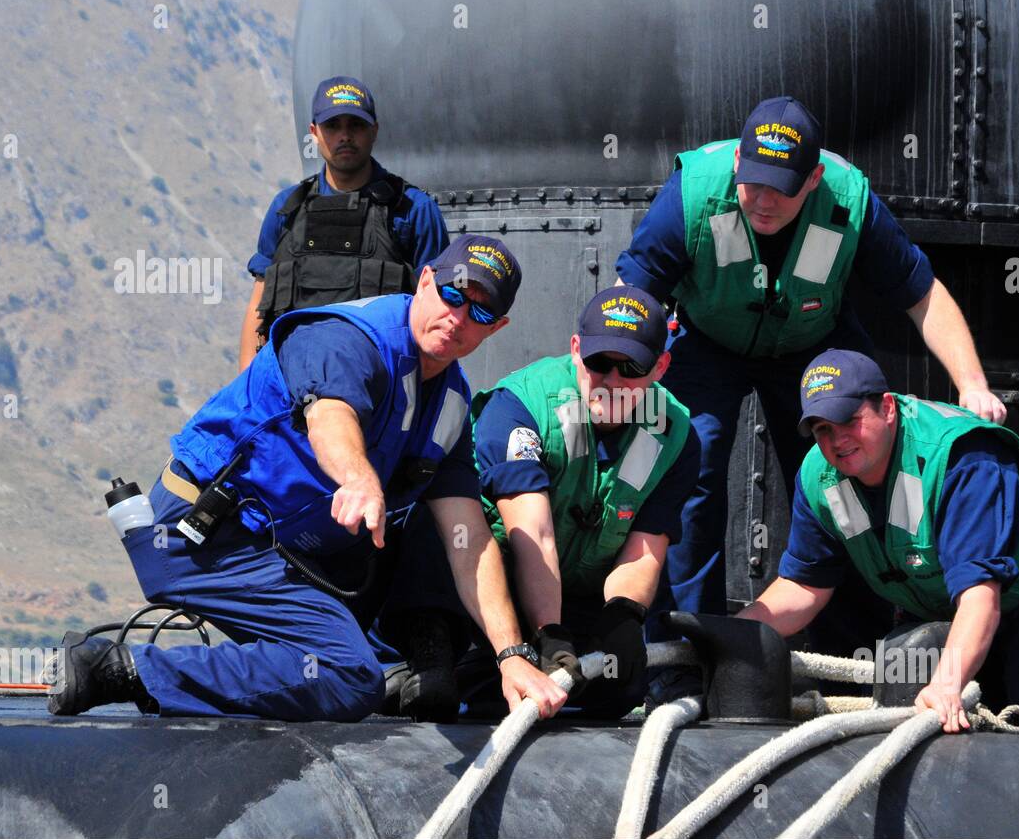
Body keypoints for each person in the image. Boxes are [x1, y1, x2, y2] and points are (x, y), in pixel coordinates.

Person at [47, 235, 567, 723]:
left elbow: (470, 541)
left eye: (480, 311)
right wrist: (359, 479)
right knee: (347, 673)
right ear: (426, 280)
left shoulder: (451, 403)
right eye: (454, 293)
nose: (458, 317)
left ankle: (389, 670)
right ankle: (118, 669)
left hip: (293, 552)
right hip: (203, 535)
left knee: (430, 547)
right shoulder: (345, 339)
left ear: (496, 327)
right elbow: (330, 414)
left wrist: (512, 655)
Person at [614, 96, 1007, 623]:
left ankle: (857, 643)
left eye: (784, 187)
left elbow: (922, 294)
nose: (765, 201)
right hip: (707, 342)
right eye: (754, 183)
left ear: (815, 177)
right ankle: (690, 645)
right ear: (736, 164)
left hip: (811, 342)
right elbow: (630, 302)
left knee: (854, 464)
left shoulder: (851, 201)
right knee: (691, 464)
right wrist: (613, 384)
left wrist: (972, 383)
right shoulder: (693, 192)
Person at [736, 348, 1019, 734]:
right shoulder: (820, 478)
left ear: (887, 408)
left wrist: (947, 684)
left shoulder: (962, 460)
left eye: (849, 421)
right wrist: (736, 634)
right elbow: (804, 586)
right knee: (917, 675)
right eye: (822, 430)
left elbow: (979, 595)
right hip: (954, 590)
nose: (837, 441)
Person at [375, 287, 700, 719]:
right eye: (598, 363)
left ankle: (485, 675)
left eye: (632, 368)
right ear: (576, 349)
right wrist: (550, 634)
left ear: (660, 367)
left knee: (617, 689)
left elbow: (645, 546)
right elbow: (534, 532)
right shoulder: (521, 407)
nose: (612, 382)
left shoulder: (675, 434)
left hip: (570, 585)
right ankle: (429, 661)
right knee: (442, 528)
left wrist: (621, 620)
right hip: (492, 577)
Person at [238, 76, 450, 369]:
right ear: (314, 132)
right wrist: (248, 392)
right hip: (288, 384)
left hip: (381, 387)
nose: (345, 136)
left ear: (374, 130)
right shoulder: (286, 209)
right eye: (333, 125)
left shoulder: (413, 209)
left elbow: (440, 311)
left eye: (356, 125)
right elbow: (258, 306)